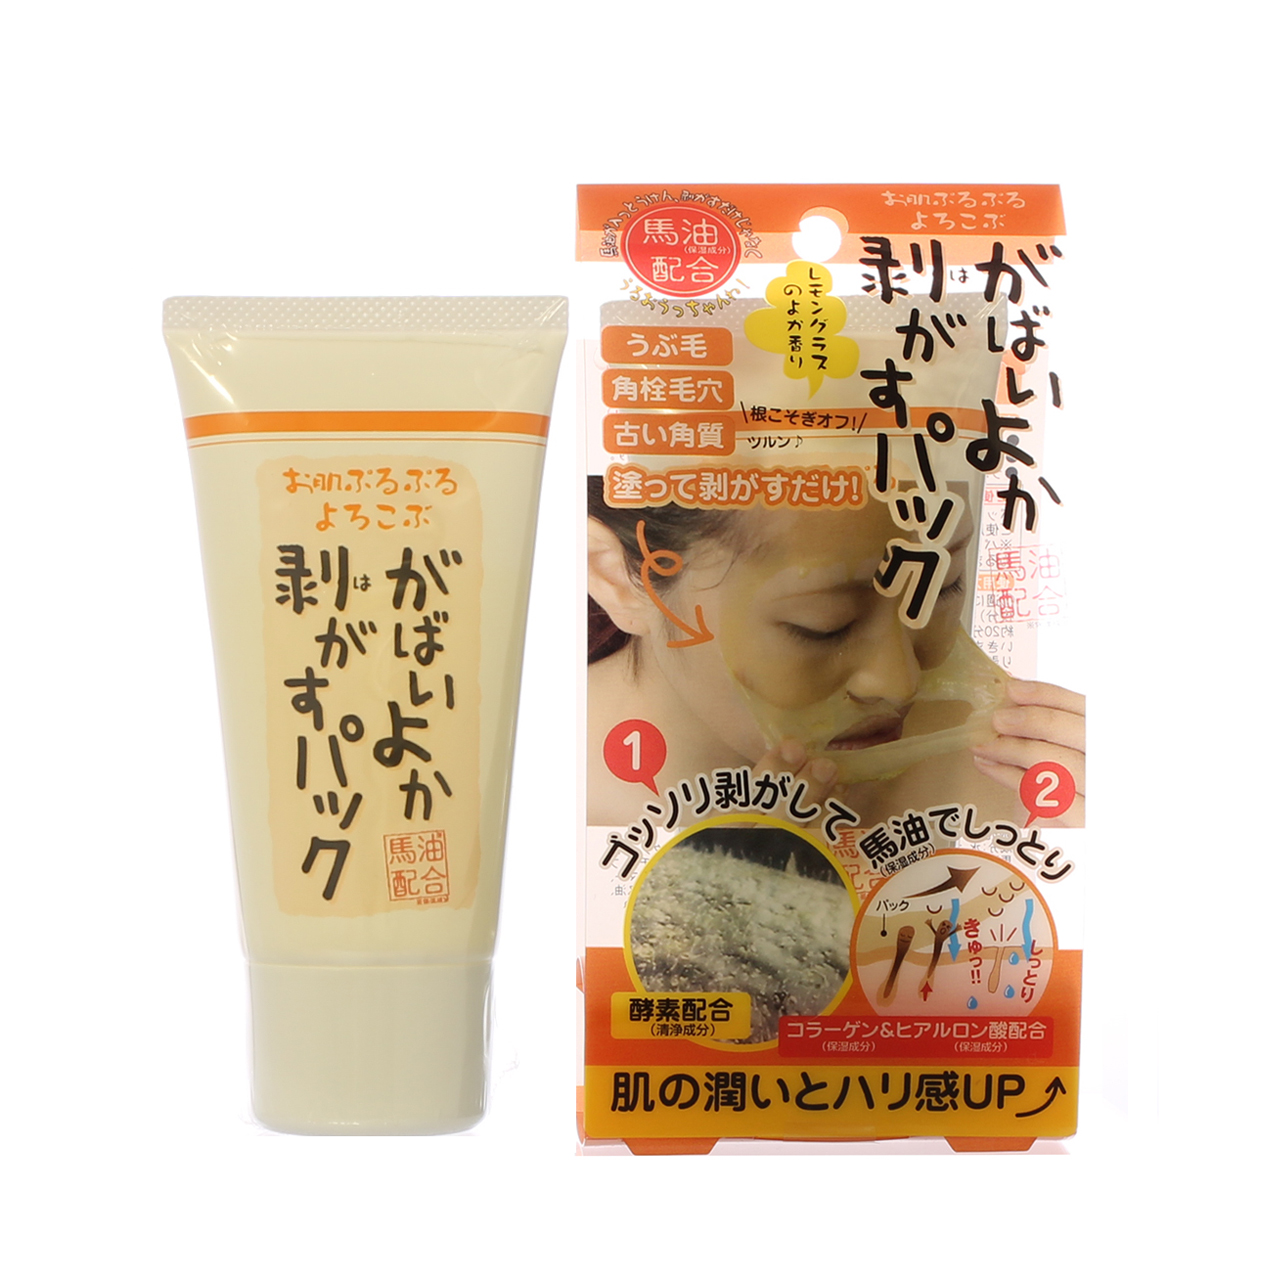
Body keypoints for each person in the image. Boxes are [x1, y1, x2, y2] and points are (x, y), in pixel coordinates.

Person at [587, 477, 1085, 829]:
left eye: (941, 587)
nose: (901, 683)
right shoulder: (556, 823)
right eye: (824, 625)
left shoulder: (1029, 784)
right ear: (619, 579)